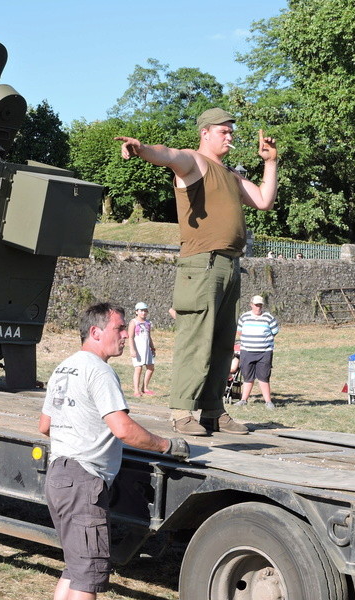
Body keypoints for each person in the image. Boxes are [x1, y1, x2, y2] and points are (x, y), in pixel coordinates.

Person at [116, 108, 278, 436]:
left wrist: (271, 163)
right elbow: (170, 156)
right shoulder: (194, 161)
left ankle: (213, 411)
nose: (230, 136)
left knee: (221, 344)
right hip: (201, 264)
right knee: (196, 341)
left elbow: (263, 201)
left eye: (232, 131)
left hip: (230, 266)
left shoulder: (231, 175)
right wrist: (143, 149)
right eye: (224, 131)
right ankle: (181, 411)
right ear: (205, 133)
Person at [38, 303, 189, 600]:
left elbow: (45, 426)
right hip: (83, 482)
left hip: (59, 475)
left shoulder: (63, 367)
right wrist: (167, 445)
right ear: (95, 332)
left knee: (77, 569)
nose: (124, 335)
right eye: (119, 328)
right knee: (90, 575)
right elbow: (122, 428)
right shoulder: (100, 371)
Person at [235, 295, 280, 409]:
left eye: (260, 305)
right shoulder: (244, 317)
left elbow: (275, 331)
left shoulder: (268, 317)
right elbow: (239, 332)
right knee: (247, 377)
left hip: (264, 352)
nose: (258, 307)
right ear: (251, 305)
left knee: (264, 377)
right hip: (247, 351)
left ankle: (268, 402)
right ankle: (244, 400)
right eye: (256, 305)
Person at [129, 301, 155, 397]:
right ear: (136, 312)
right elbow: (131, 337)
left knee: (151, 367)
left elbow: (149, 336)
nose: (143, 313)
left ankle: (145, 388)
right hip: (138, 349)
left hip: (147, 349)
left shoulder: (148, 323)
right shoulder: (133, 322)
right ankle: (136, 390)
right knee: (138, 368)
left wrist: (152, 347)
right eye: (141, 311)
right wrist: (132, 349)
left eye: (145, 311)